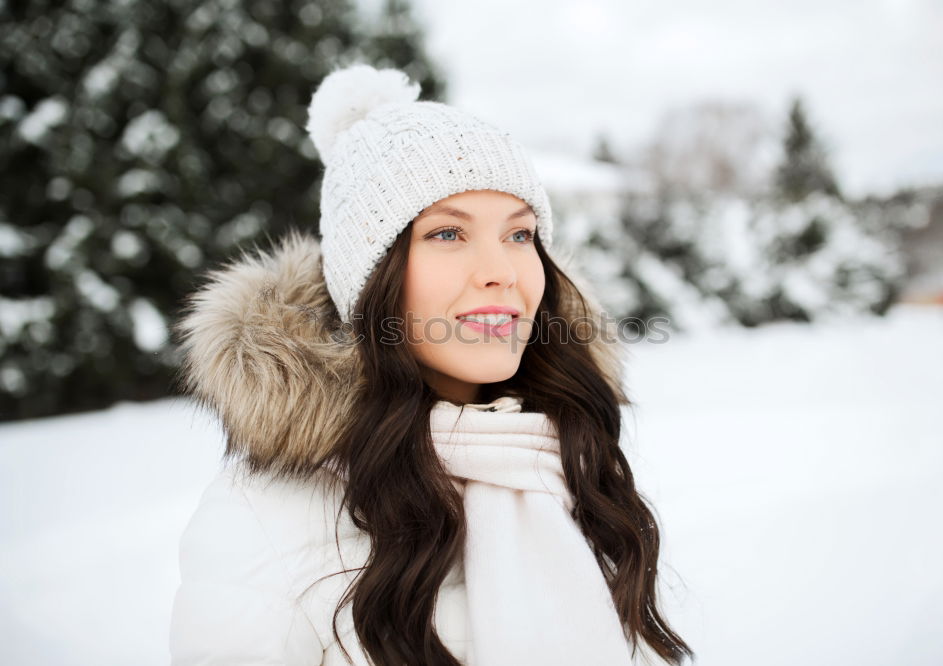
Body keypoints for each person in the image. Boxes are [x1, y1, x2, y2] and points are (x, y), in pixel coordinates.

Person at [168, 63, 693, 666]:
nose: (500, 269)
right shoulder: (266, 518)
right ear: (370, 280)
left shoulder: (565, 452)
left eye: (520, 236)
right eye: (448, 234)